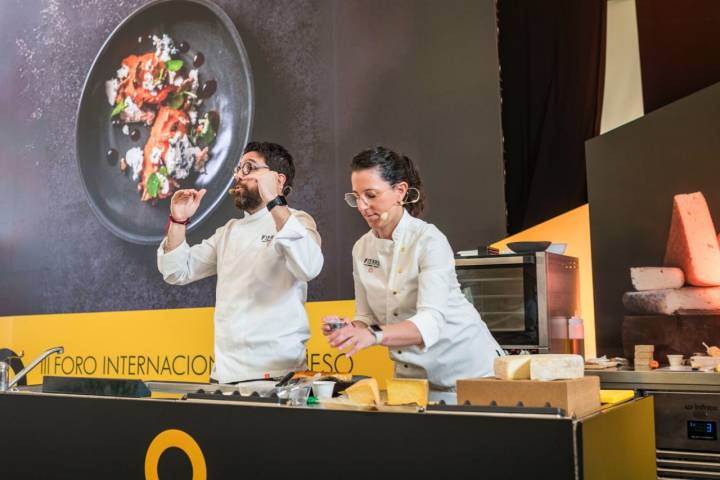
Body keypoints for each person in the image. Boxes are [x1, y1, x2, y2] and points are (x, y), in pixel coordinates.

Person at [323, 146, 502, 391]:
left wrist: (373, 335)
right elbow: (366, 316)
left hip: (470, 374)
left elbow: (430, 322)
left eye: (371, 195)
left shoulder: (429, 240)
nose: (363, 206)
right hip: (413, 380)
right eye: (356, 197)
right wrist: (351, 329)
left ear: (400, 191)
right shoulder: (362, 248)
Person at [157, 141, 323, 383]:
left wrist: (274, 201)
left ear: (278, 180)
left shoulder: (297, 221)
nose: (238, 175)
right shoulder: (229, 231)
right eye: (238, 168)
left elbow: (309, 266)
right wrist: (178, 221)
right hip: (224, 374)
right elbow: (177, 271)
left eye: (249, 168)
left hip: (277, 375)